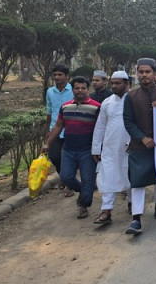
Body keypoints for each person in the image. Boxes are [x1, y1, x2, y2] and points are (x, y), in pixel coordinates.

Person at [123, 58, 156, 235]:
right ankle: (136, 219)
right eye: (141, 72)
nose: (144, 75)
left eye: (147, 72)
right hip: (139, 146)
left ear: (154, 73)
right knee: (138, 181)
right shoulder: (130, 96)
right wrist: (142, 137)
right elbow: (128, 122)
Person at [43, 76, 101, 219]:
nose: (80, 91)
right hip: (68, 149)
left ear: (88, 90)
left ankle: (83, 205)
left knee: (88, 180)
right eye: (77, 88)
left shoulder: (97, 107)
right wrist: (48, 143)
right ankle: (83, 190)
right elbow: (58, 126)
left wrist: (99, 149)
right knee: (66, 176)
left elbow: (101, 129)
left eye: (83, 88)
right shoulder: (65, 107)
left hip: (88, 151)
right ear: (73, 89)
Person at [91, 71, 132, 225]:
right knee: (107, 176)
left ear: (127, 84)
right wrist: (96, 148)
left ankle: (132, 203)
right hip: (109, 147)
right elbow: (100, 127)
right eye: (112, 83)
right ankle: (106, 210)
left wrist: (135, 140)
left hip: (130, 147)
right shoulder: (107, 102)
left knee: (130, 175)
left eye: (118, 83)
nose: (114, 86)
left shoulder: (134, 100)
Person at [45, 63, 74, 196]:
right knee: (54, 156)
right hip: (55, 130)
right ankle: (63, 176)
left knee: (69, 158)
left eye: (60, 75)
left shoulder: (74, 90)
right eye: (55, 75)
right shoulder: (50, 91)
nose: (57, 77)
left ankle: (69, 185)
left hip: (71, 130)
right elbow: (49, 111)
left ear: (67, 76)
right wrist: (48, 130)